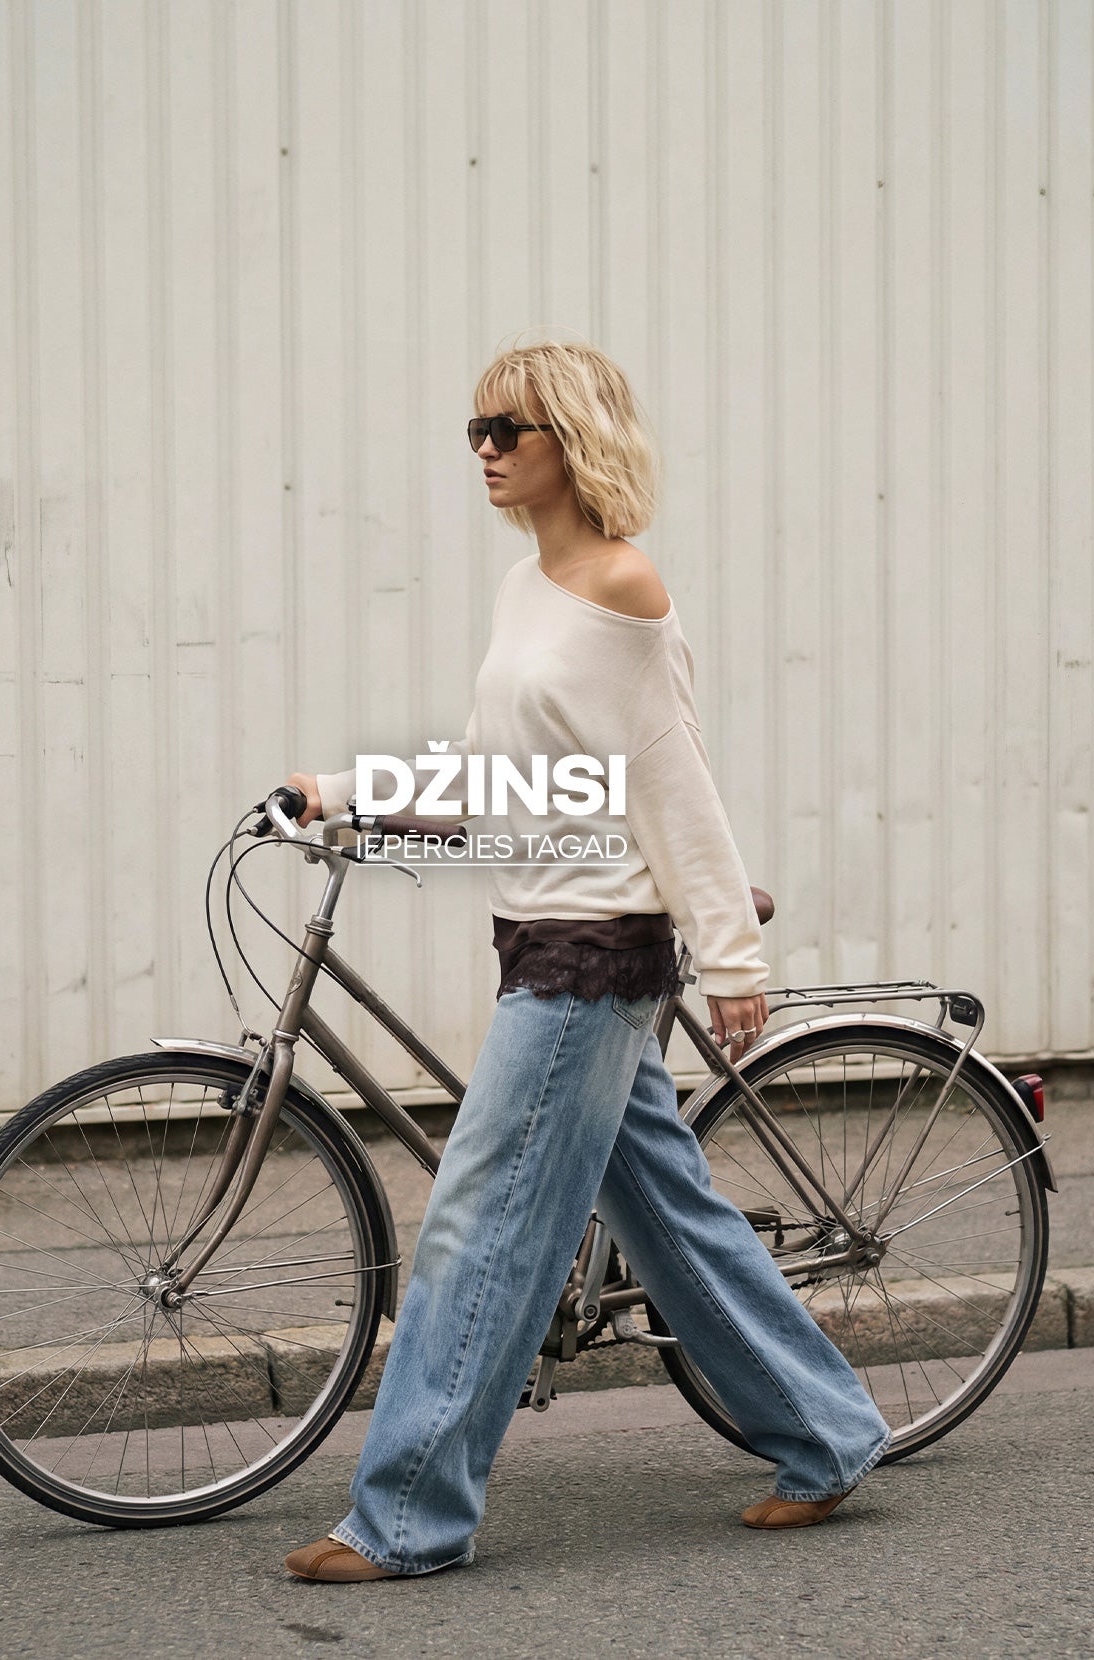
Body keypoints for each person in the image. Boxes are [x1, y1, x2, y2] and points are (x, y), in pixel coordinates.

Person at [282, 339, 891, 1582]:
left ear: (572, 438)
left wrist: (732, 956)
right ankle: (827, 1433)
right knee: (671, 1221)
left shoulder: (622, 585)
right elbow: (495, 767)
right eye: (476, 430)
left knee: (479, 1223)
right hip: (539, 934)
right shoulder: (528, 587)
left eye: (508, 428)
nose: (485, 450)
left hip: (592, 959)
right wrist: (345, 792)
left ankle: (407, 1517)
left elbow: (672, 775)